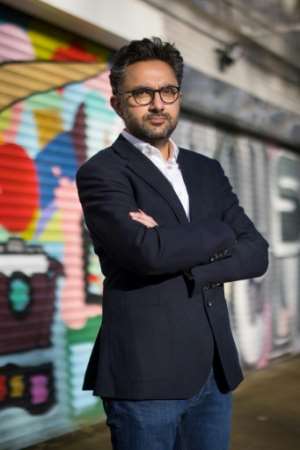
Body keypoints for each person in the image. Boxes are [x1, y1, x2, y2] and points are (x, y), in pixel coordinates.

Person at [76, 37, 269, 450]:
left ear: (178, 96)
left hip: (214, 373)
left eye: (167, 91)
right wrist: (219, 232)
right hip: (147, 379)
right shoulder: (103, 173)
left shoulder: (207, 170)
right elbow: (146, 252)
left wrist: (180, 251)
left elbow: (257, 252)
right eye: (142, 93)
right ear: (117, 104)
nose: (157, 103)